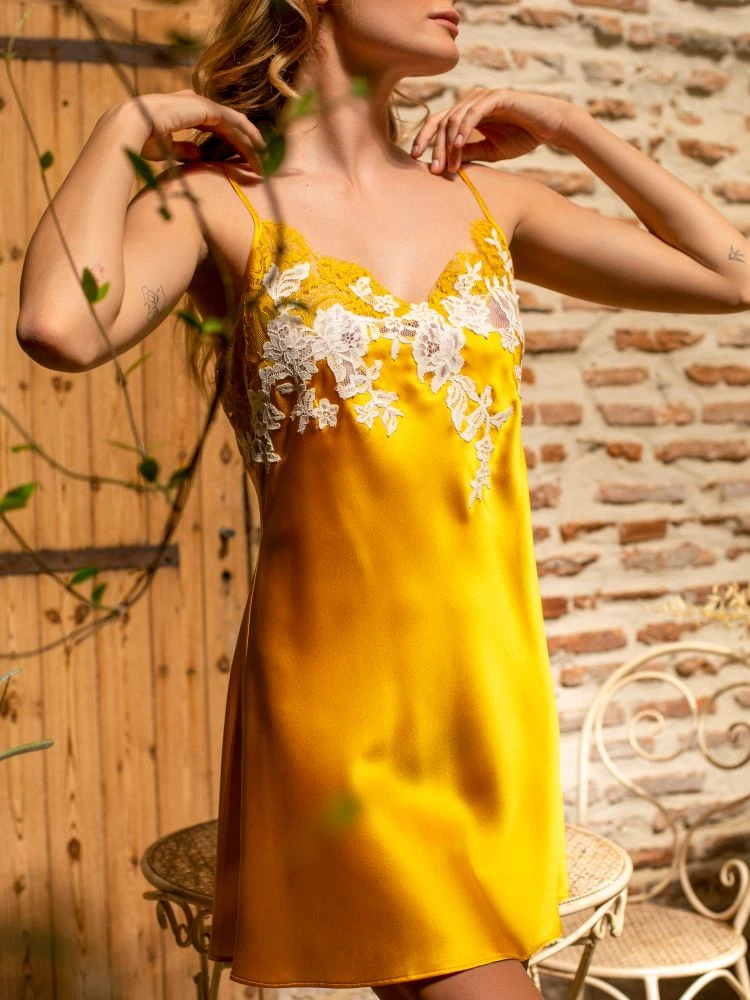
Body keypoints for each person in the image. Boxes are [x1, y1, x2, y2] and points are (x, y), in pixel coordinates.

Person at [16, 0, 750, 997]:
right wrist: (122, 131)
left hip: (488, 704)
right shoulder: (216, 206)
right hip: (342, 707)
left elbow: (729, 275)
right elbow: (59, 326)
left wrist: (572, 127)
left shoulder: (489, 201)